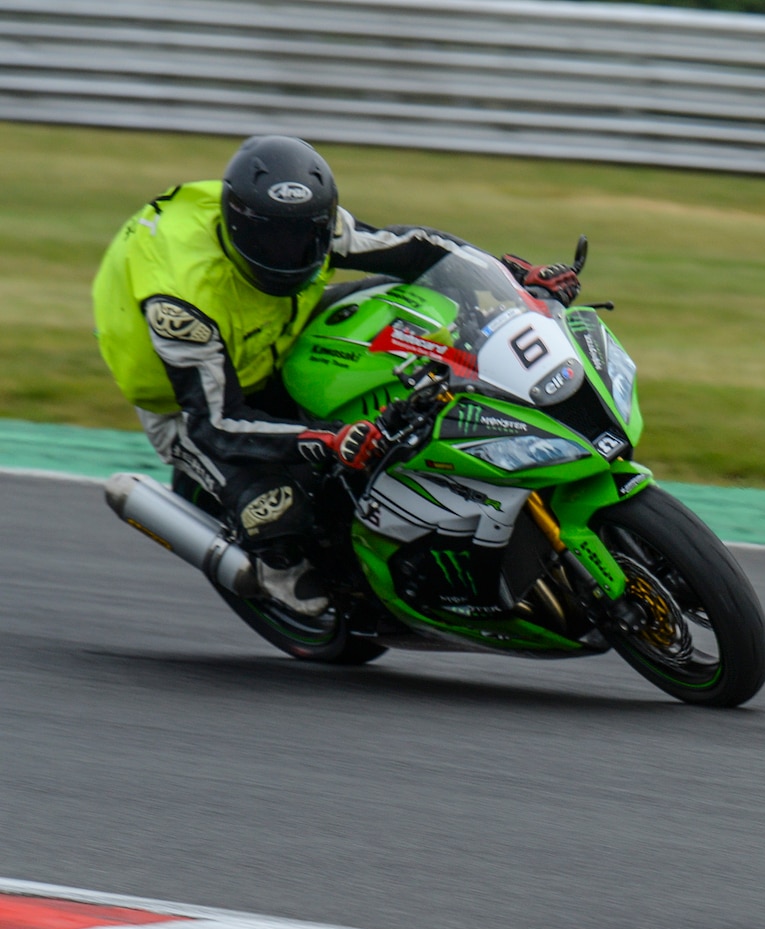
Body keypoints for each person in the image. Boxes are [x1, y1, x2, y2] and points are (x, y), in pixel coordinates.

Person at [92, 135, 582, 615]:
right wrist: (330, 440)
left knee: (418, 311)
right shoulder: (180, 304)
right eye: (273, 240)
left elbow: (419, 251)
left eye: (306, 236)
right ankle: (274, 570)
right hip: (187, 400)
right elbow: (216, 422)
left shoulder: (314, 229)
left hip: (277, 328)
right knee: (277, 512)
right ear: (238, 228)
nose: (292, 252)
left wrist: (512, 279)